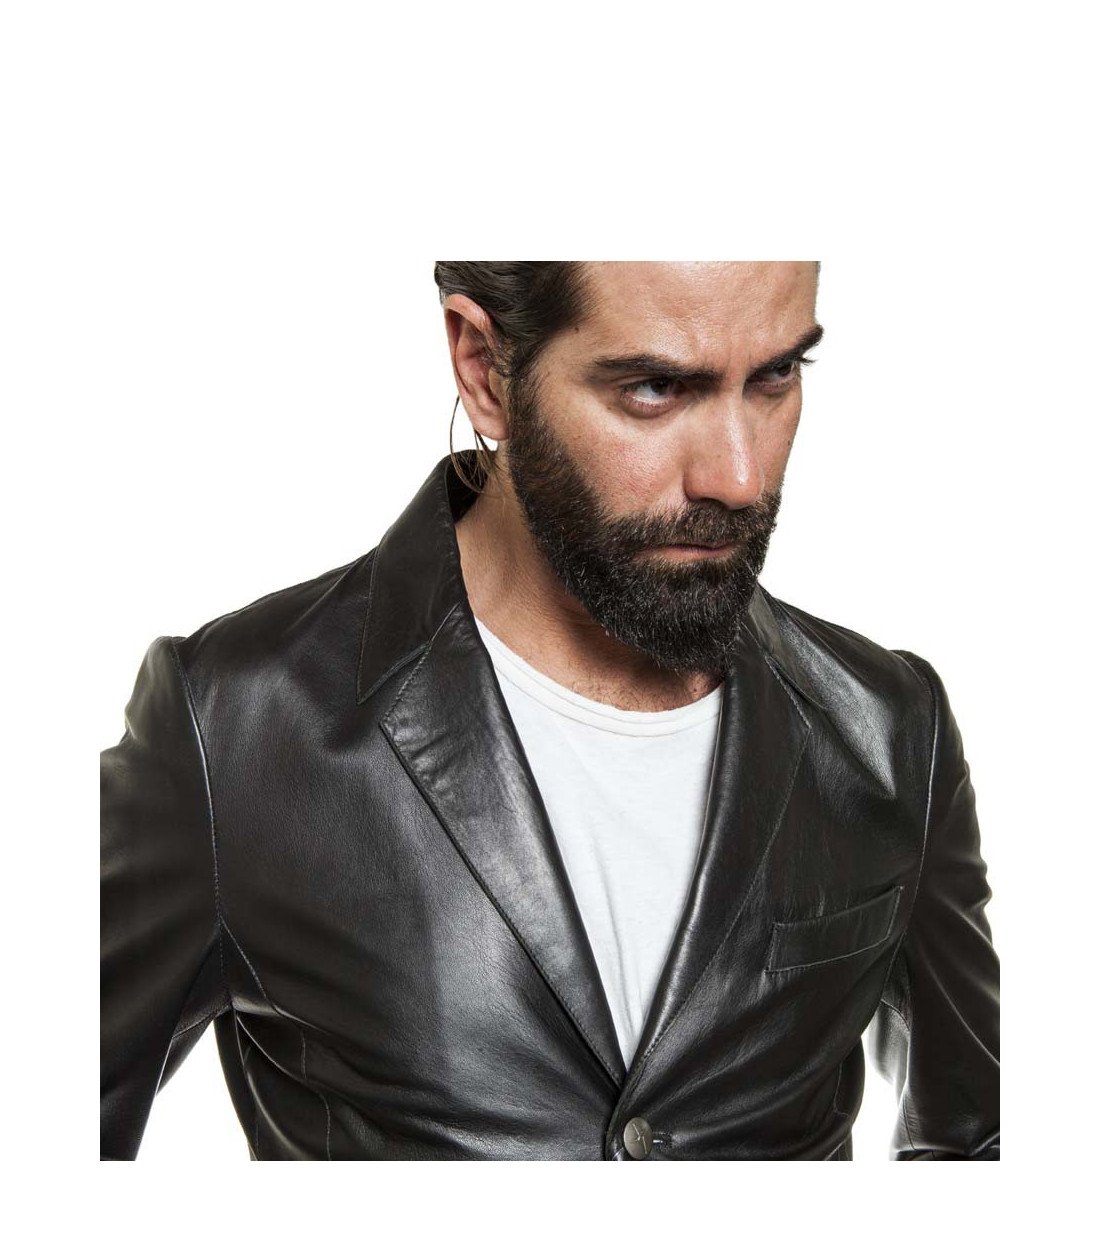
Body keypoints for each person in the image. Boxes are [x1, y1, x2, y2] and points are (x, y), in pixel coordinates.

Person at [100, 261, 1000, 1161]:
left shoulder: (889, 730)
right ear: (485, 368)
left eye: (775, 375)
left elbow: (985, 1141)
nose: (737, 476)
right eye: (654, 388)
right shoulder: (233, 731)